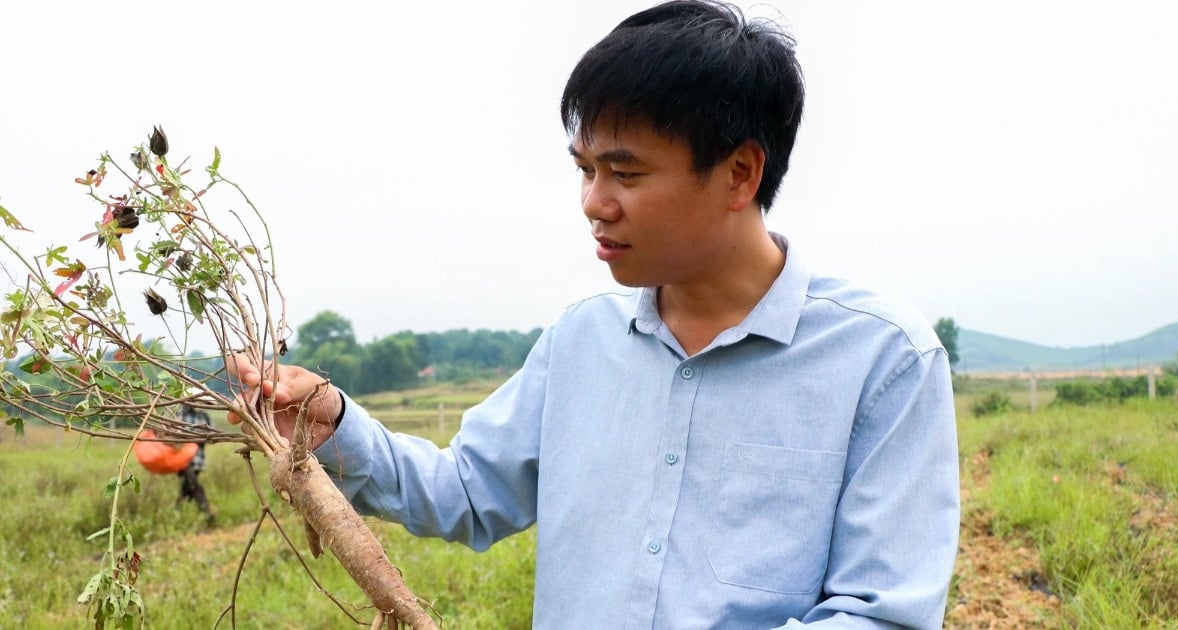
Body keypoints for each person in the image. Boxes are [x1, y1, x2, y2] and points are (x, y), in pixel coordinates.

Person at [228, 1, 960, 627]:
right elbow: (467, 495)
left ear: (740, 172)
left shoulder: (882, 360)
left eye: (626, 172)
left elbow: (878, 612)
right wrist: (337, 425)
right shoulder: (581, 342)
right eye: (586, 170)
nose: (594, 203)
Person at [177, 402, 215, 525]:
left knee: (187, 490)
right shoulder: (181, 415)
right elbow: (176, 434)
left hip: (198, 460)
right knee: (196, 487)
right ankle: (208, 516)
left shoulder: (204, 416)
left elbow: (213, 436)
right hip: (183, 461)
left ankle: (177, 515)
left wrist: (203, 437)